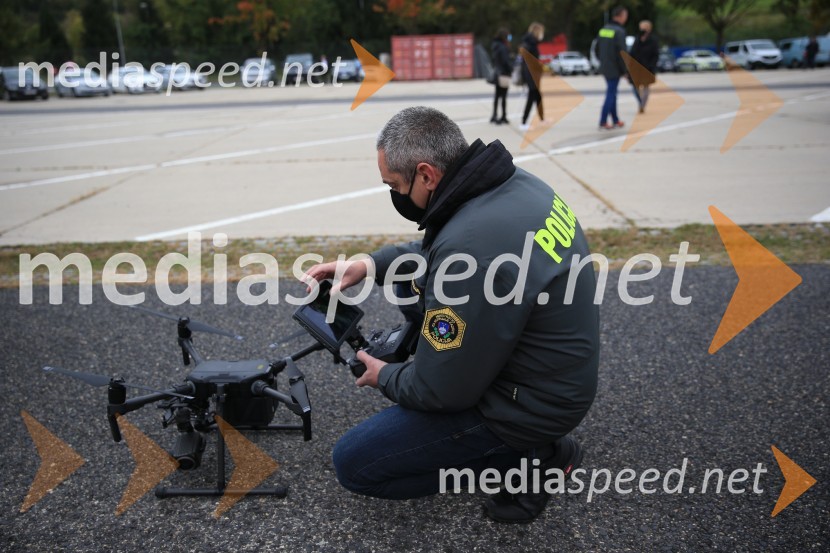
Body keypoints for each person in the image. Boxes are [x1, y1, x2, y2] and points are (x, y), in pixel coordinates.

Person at [305, 106, 600, 523]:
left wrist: (382, 375)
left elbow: (440, 391)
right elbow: (445, 252)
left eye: (394, 184)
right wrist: (370, 265)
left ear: (426, 174)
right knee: (416, 293)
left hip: (530, 405)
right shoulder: (513, 188)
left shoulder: (474, 247)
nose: (393, 194)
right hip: (556, 377)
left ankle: (533, 462)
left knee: (356, 465)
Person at [597, 6, 628, 129]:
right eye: (625, 15)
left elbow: (597, 48)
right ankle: (603, 120)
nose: (626, 18)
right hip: (615, 68)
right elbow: (622, 53)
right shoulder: (619, 31)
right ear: (620, 16)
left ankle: (615, 120)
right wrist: (625, 70)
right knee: (611, 93)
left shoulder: (603, 30)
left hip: (605, 66)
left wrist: (603, 61)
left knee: (613, 93)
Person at [628, 20, 658, 113]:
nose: (643, 30)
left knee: (645, 87)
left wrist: (651, 66)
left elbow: (655, 55)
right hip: (636, 68)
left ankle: (642, 105)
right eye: (641, 28)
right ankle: (640, 102)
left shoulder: (653, 40)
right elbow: (632, 53)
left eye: (644, 28)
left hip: (648, 68)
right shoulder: (637, 39)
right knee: (635, 87)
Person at [520, 22, 545, 130]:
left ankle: (542, 119)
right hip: (531, 74)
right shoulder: (530, 44)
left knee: (538, 97)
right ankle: (524, 122)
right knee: (531, 97)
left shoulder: (530, 42)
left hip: (532, 73)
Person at [490, 28, 512, 125]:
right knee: (503, 96)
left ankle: (494, 115)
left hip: (497, 73)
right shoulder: (503, 47)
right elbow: (505, 61)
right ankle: (503, 116)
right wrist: (511, 69)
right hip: (503, 73)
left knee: (497, 95)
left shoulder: (495, 46)